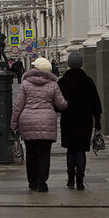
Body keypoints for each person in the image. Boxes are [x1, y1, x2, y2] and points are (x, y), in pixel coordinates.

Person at [10, 56, 67, 192]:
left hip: (27, 121)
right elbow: (62, 104)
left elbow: (18, 106)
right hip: (46, 122)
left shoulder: (25, 84)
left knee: (31, 154)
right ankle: (42, 183)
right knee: (44, 154)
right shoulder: (53, 84)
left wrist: (13, 123)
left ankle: (32, 183)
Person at [57, 52, 102, 190]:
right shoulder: (88, 81)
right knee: (81, 150)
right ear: (81, 64)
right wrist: (98, 122)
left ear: (69, 64)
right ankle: (80, 181)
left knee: (71, 150)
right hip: (85, 121)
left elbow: (58, 103)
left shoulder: (62, 81)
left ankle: (70, 179)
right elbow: (96, 103)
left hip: (68, 120)